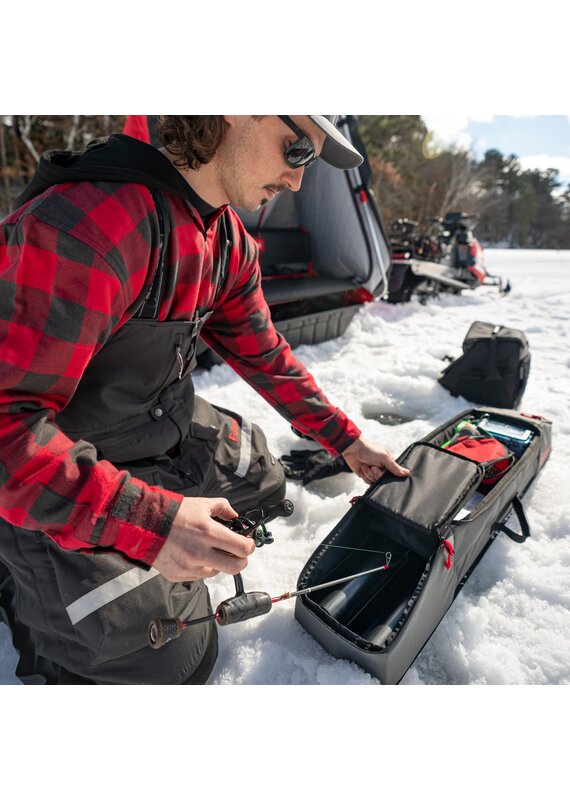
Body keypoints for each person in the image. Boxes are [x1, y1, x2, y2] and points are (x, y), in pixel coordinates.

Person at [0, 116, 409, 684]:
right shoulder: (89, 225)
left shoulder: (226, 238)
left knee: (264, 479)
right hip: (63, 459)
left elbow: (264, 354)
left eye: (307, 161)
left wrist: (345, 439)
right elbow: (7, 432)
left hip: (157, 421)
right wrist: (151, 521)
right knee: (175, 660)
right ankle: (27, 581)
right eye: (297, 150)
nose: (296, 181)